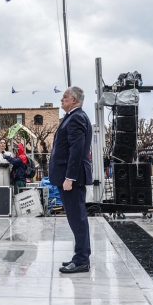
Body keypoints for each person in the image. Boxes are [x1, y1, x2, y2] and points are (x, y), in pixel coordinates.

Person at [50, 87, 92, 274]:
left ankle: (82, 260)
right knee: (75, 218)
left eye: (65, 97)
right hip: (68, 177)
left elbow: (77, 150)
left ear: (74, 100)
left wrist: (69, 178)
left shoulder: (76, 118)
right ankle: (79, 256)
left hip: (72, 179)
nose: (61, 100)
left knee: (77, 218)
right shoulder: (73, 116)